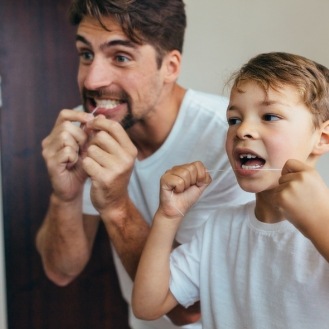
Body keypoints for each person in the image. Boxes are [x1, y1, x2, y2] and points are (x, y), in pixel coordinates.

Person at [35, 0, 253, 328]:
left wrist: (116, 206)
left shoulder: (231, 141)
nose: (92, 81)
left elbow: (188, 309)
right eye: (86, 54)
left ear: (170, 66)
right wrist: (64, 195)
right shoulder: (87, 133)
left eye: (120, 57)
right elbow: (61, 271)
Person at [132, 52, 329, 329]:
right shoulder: (219, 227)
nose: (243, 130)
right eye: (234, 119)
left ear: (321, 138)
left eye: (269, 116)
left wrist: (321, 223)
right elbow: (147, 305)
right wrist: (167, 216)